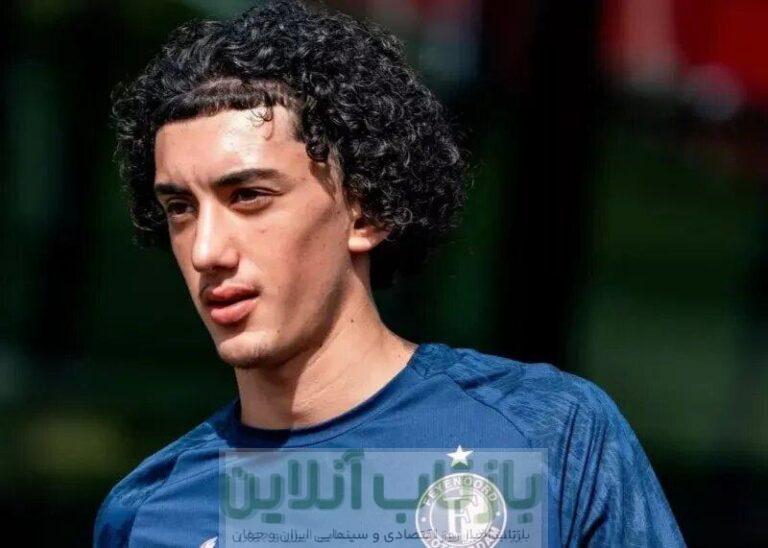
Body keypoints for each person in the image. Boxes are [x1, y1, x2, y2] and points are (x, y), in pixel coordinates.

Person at [93, 1, 685, 546]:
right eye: (180, 208)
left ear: (368, 210)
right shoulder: (151, 513)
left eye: (249, 196)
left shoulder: (546, 437)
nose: (205, 250)